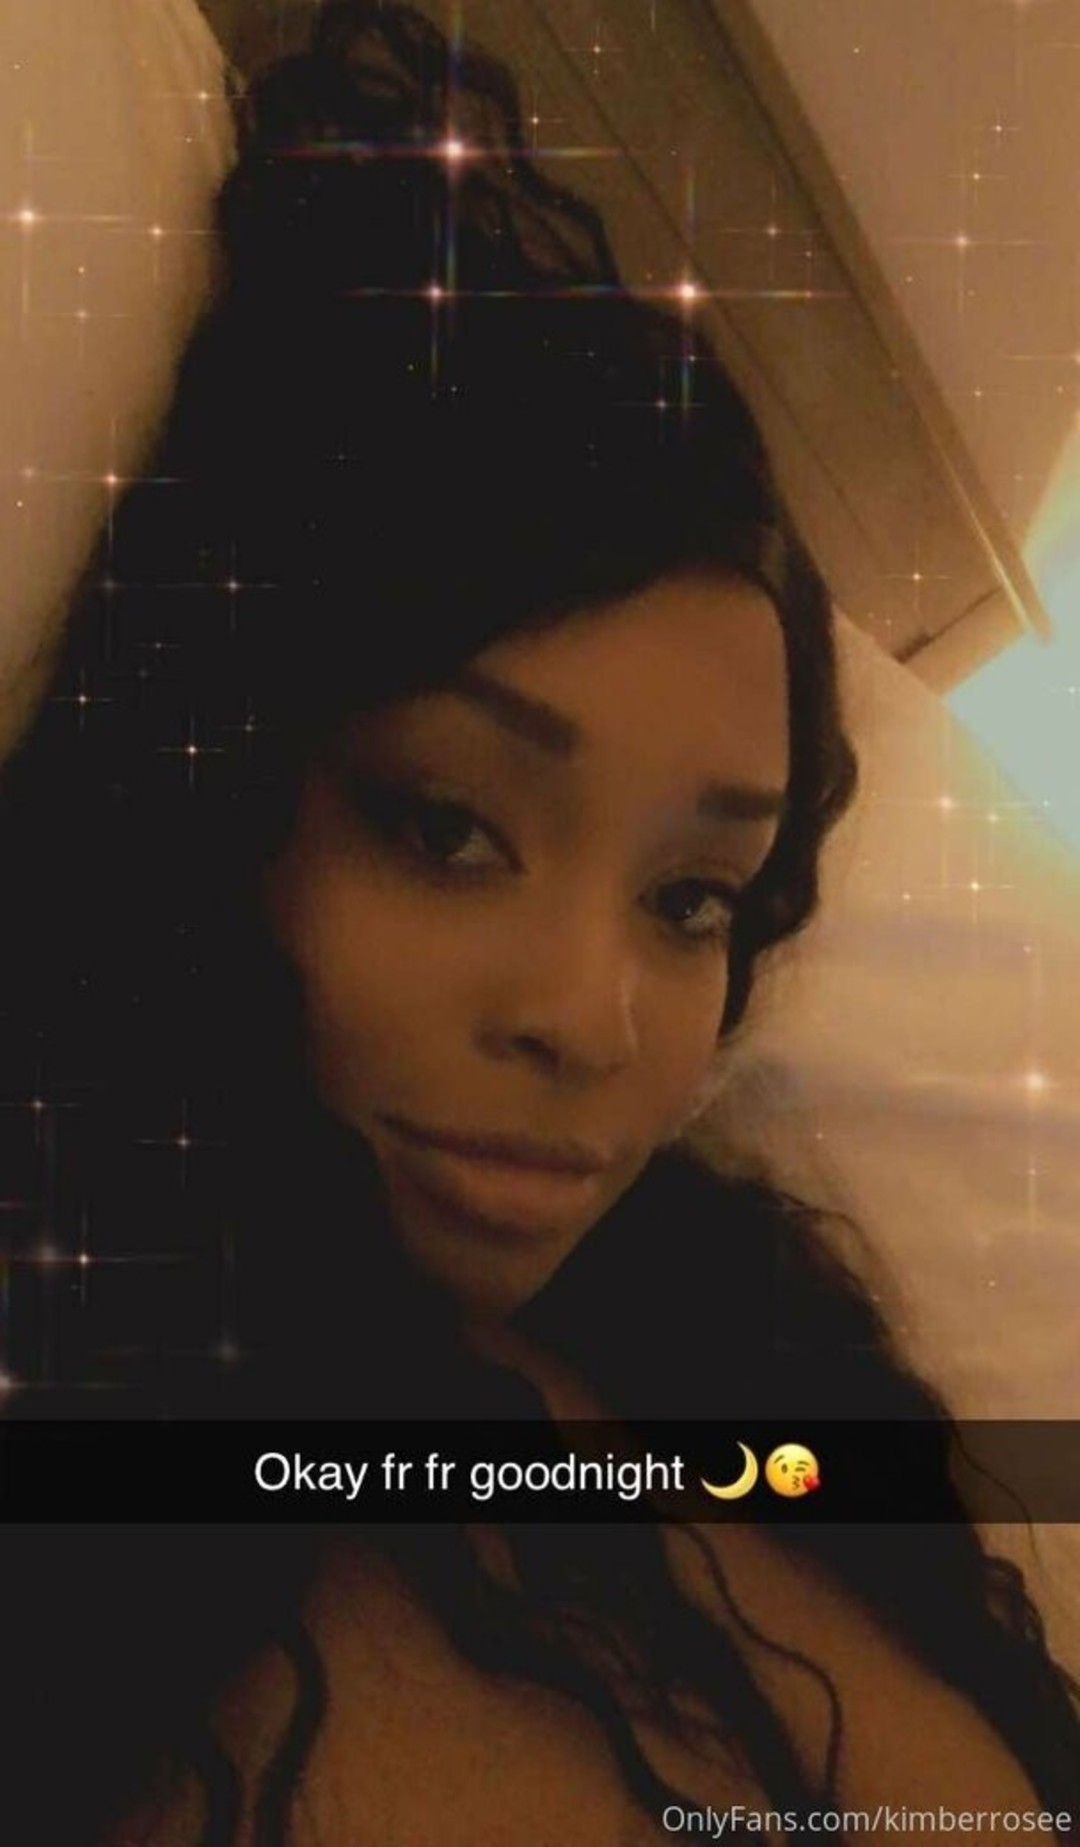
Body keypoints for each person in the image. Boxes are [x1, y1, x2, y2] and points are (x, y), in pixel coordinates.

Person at [0, 5, 1078, 1842]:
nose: (596, 1021)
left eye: (690, 899)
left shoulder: (730, 1349)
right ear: (219, 780)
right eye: (445, 827)